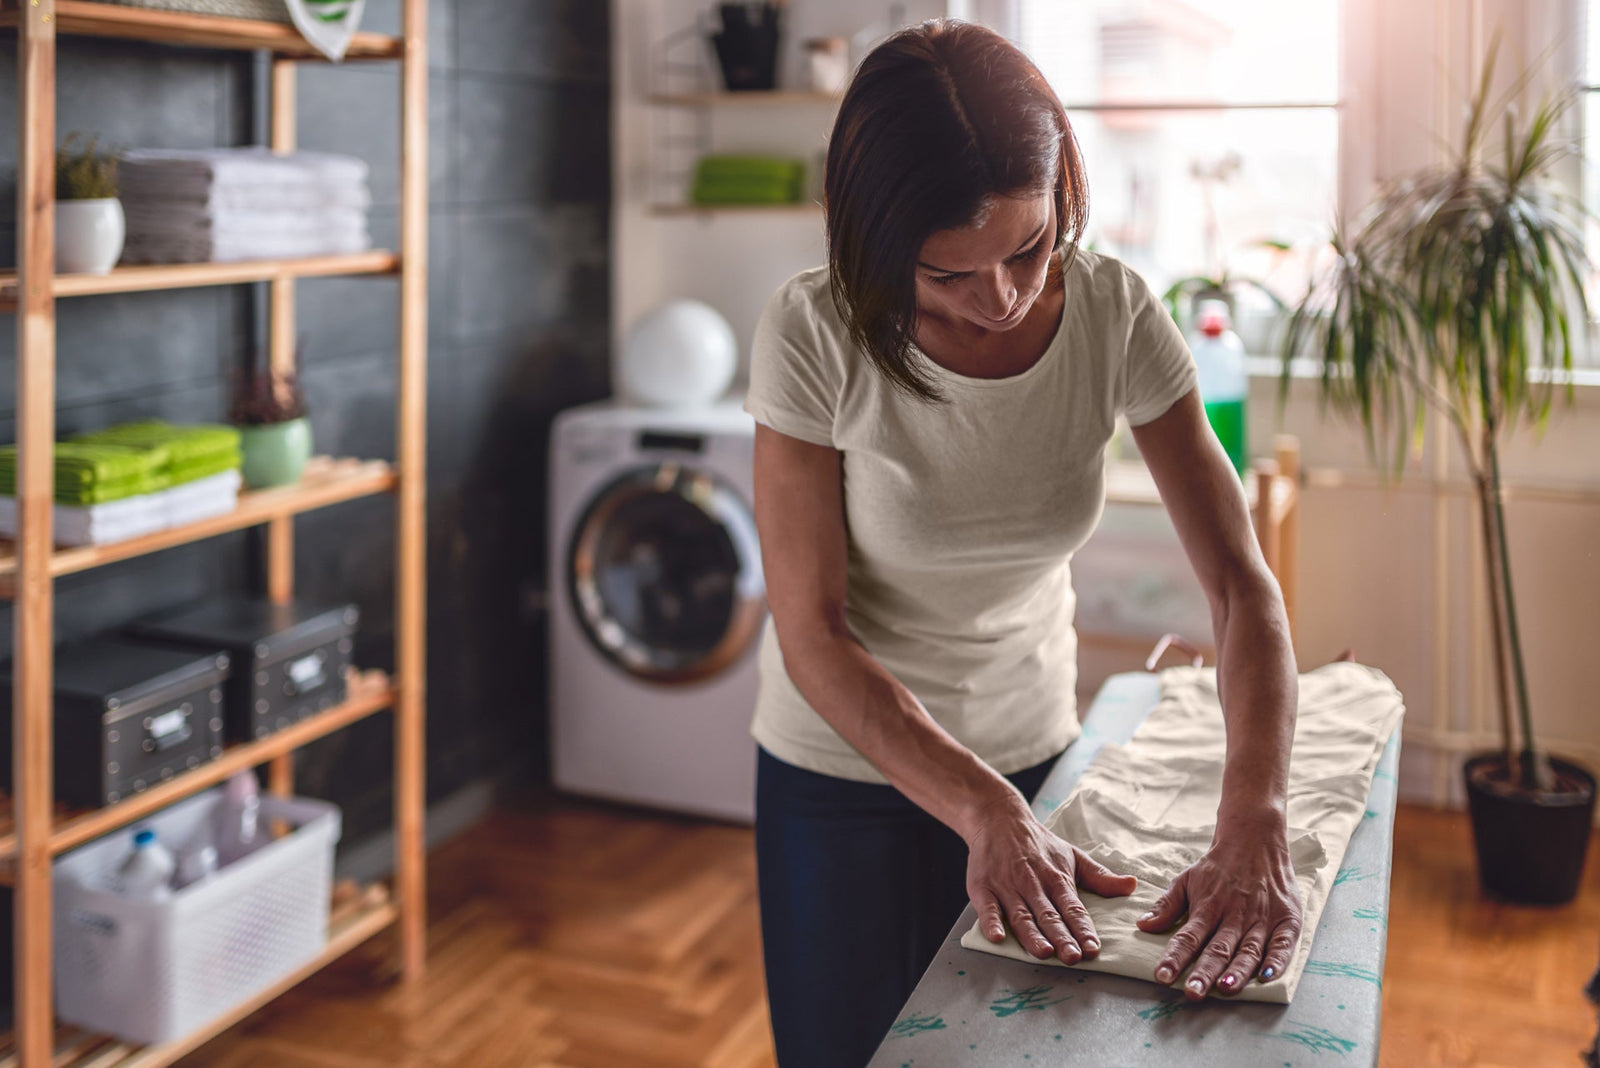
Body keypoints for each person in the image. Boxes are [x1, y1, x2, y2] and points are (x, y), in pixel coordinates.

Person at [742, 19, 1302, 1068]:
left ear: (1063, 205)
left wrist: (1252, 815)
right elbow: (811, 633)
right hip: (840, 776)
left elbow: (1240, 590)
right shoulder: (813, 332)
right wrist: (978, 808)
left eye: (1027, 250)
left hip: (1035, 751)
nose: (996, 300)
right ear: (871, 241)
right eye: (945, 276)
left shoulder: (1112, 314)